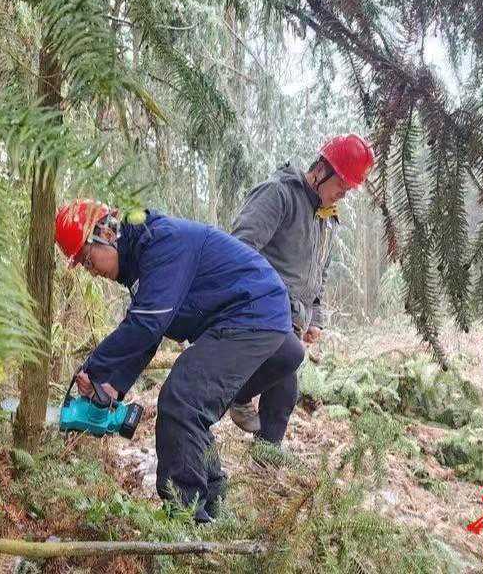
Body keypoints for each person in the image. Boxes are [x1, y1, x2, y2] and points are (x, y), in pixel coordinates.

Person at [54, 200, 303, 523]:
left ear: (106, 232)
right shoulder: (145, 259)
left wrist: (94, 367)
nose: (93, 272)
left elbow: (148, 322)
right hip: (252, 317)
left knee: (181, 401)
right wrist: (113, 386)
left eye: (88, 260)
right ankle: (213, 506)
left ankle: (184, 518)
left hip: (252, 313)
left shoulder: (162, 241)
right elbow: (148, 331)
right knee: (190, 405)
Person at [227, 133, 375, 446]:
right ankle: (234, 394)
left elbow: (317, 274)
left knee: (285, 390)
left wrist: (315, 318)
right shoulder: (279, 194)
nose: (342, 195)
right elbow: (239, 247)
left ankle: (267, 453)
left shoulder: (326, 220)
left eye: (348, 191)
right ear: (321, 170)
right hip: (260, 311)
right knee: (287, 362)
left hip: (293, 318)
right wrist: (260, 298)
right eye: (341, 186)